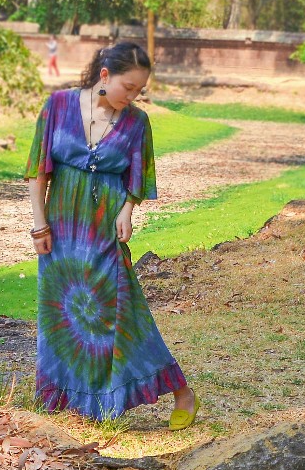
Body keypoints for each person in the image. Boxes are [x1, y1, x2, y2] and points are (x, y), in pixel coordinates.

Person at [23, 41, 197, 428]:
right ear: (105, 76)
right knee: (62, 313)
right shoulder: (58, 106)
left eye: (139, 90)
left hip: (104, 227)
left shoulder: (136, 122)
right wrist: (39, 225)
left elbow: (137, 175)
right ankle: (68, 397)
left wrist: (127, 210)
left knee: (119, 310)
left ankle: (180, 390)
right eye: (128, 87)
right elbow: (39, 172)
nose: (133, 96)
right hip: (61, 228)